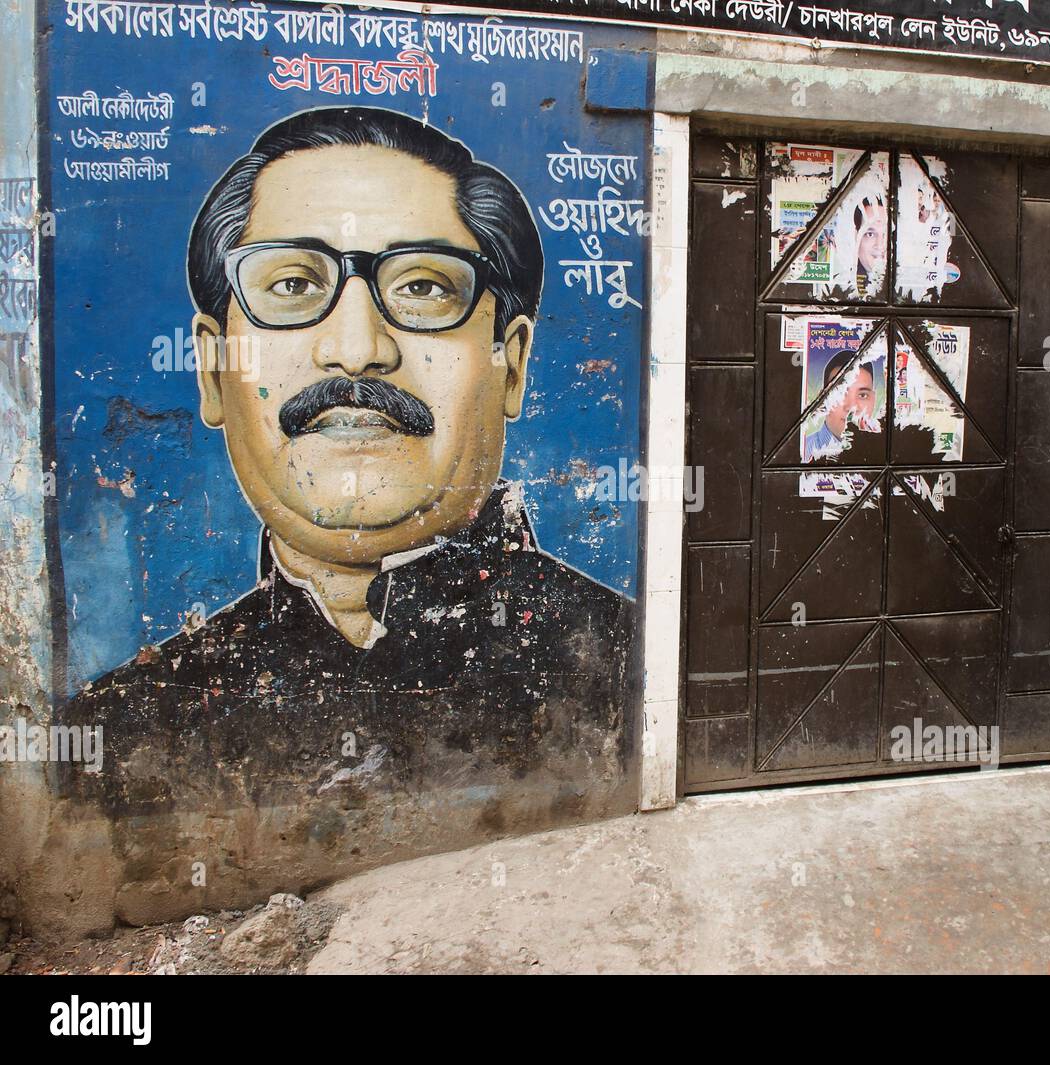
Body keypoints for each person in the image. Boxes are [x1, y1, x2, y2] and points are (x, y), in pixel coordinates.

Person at [63, 107, 632, 814]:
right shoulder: (114, 731)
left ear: (510, 366)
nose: (358, 346)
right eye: (293, 286)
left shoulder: (634, 669)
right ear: (213, 370)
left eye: (424, 287)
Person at [803, 348, 880, 462]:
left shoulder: (882, 452)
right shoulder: (803, 453)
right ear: (821, 400)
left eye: (863, 395)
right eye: (840, 393)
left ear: (873, 400)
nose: (851, 408)